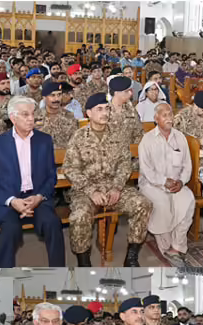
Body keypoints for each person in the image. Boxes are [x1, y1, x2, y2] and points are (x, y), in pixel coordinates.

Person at [63, 93, 152, 267]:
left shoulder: (118, 135)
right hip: (86, 191)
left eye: (107, 109)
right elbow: (70, 169)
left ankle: (131, 257)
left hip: (113, 188)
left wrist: (117, 187)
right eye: (99, 109)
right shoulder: (79, 137)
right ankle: (83, 262)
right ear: (89, 113)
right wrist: (91, 191)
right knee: (79, 216)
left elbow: (125, 164)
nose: (105, 113)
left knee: (143, 204)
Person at [0, 95, 66, 267]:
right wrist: (12, 201)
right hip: (9, 201)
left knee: (53, 224)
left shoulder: (44, 140)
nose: (31, 119)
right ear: (13, 118)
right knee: (9, 230)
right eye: (25, 114)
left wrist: (39, 197)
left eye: (32, 114)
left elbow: (51, 176)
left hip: (37, 198)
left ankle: (59, 273)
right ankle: (2, 276)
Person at [138, 103, 195, 265]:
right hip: (152, 185)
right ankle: (166, 247)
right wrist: (164, 182)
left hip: (176, 184)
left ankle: (177, 247)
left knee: (188, 199)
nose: (169, 118)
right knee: (162, 205)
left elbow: (187, 166)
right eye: (164, 115)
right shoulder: (147, 140)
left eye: (170, 114)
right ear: (156, 119)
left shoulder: (180, 137)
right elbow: (146, 171)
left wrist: (181, 182)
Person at [35, 81, 78, 149]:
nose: (57, 99)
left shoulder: (69, 116)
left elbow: (74, 141)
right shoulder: (35, 116)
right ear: (44, 98)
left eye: (59, 95)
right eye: (52, 95)